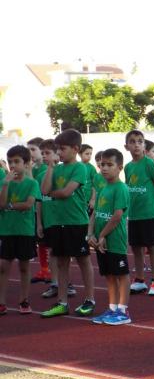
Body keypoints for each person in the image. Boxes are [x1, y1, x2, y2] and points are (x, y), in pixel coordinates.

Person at [40, 129, 95, 318]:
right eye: (57, 149)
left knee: (83, 260)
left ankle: (89, 299)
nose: (59, 153)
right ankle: (62, 302)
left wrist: (52, 194)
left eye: (62, 149)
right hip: (58, 222)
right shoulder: (57, 168)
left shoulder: (79, 168)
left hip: (76, 222)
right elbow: (44, 189)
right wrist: (50, 168)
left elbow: (65, 193)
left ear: (75, 149)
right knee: (62, 262)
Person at [88, 149, 132, 325]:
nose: (104, 168)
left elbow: (117, 216)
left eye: (109, 165)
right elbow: (94, 214)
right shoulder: (103, 189)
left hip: (114, 240)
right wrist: (90, 234)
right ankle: (112, 308)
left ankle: (123, 310)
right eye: (102, 165)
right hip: (101, 241)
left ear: (119, 167)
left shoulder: (120, 188)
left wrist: (102, 234)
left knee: (121, 274)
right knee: (109, 275)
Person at [0, 145, 41, 315]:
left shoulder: (32, 183)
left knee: (24, 267)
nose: (13, 165)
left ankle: (24, 300)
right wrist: (5, 185)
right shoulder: (4, 182)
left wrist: (10, 205)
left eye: (17, 161)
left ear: (26, 164)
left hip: (24, 231)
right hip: (7, 230)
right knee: (3, 266)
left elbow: (28, 204)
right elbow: (1, 204)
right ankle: (1, 302)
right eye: (10, 162)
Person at [124, 130, 154, 296]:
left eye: (140, 141)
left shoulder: (148, 163)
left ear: (144, 145)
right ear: (126, 146)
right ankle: (140, 279)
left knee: (153, 247)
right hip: (134, 215)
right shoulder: (127, 167)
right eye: (133, 142)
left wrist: (148, 197)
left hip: (149, 214)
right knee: (136, 248)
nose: (136, 145)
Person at [37, 140, 64, 300]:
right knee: (53, 252)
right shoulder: (41, 176)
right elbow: (39, 200)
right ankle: (55, 283)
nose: (44, 156)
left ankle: (65, 283)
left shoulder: (63, 172)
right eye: (43, 153)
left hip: (62, 219)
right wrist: (39, 222)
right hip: (48, 221)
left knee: (63, 254)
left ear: (57, 154)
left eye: (47, 153)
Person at [27, 137, 51, 284]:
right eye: (28, 150)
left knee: (50, 243)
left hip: (48, 210)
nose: (30, 153)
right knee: (41, 242)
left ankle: (53, 272)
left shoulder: (43, 169)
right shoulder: (34, 168)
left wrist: (28, 169)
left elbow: (34, 186)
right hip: (37, 210)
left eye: (33, 150)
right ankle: (44, 270)